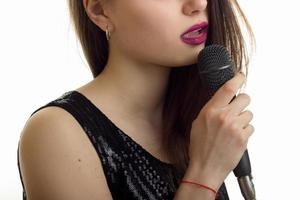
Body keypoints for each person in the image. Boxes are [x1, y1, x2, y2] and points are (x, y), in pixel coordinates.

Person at [17, 0, 255, 199]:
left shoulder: (193, 121)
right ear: (100, 11)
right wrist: (204, 174)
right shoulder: (56, 133)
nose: (198, 3)